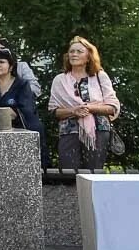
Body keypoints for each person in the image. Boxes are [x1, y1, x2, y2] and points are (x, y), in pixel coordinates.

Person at [49, 36, 120, 171]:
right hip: (69, 131)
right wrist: (73, 111)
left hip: (98, 131)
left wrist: (90, 108)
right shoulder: (59, 80)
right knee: (69, 173)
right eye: (71, 51)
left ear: (88, 57)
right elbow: (54, 110)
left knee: (93, 173)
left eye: (79, 51)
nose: (74, 54)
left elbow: (112, 107)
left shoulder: (100, 76)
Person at [0, 47, 48, 167]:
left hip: (23, 133)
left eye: (1, 62)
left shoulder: (22, 84)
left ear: (11, 66)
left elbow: (20, 113)